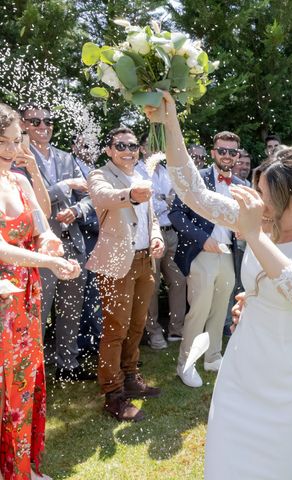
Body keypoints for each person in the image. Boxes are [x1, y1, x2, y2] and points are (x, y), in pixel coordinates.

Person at [145, 92, 292, 479]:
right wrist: (171, 124)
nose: (257, 201)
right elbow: (193, 192)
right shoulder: (258, 220)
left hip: (290, 386)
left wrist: (254, 236)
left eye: (266, 195)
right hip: (240, 373)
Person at [0, 102, 81, 480]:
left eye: (20, 141)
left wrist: (49, 242)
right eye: (8, 143)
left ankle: (20, 467)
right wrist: (46, 262)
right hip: (3, 297)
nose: (17, 151)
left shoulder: (18, 179)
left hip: (25, 295)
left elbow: (41, 221)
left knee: (24, 378)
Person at [86, 127, 165, 422]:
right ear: (109, 150)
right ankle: (114, 394)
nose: (128, 150)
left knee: (137, 325)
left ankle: (131, 377)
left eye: (132, 146)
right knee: (115, 329)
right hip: (118, 263)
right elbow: (105, 197)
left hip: (145, 261)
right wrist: (131, 194)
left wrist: (155, 237)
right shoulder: (100, 175)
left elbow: (151, 216)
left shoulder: (139, 175)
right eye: (120, 145)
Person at [19, 103, 93, 382]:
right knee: (39, 309)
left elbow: (88, 194)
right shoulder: (16, 158)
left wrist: (77, 210)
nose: (43, 126)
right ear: (23, 124)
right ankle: (33, 371)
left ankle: (68, 363)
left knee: (71, 307)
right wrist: (64, 188)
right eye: (35, 121)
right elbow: (28, 201)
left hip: (72, 243)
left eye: (47, 121)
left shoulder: (65, 157)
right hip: (39, 248)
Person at [169, 131, 244, 387]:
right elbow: (176, 215)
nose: (227, 155)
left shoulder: (243, 186)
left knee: (220, 309)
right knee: (199, 310)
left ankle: (212, 357)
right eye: (222, 150)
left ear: (238, 155)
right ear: (213, 152)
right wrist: (202, 239)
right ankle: (185, 364)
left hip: (228, 254)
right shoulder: (196, 179)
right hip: (202, 252)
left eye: (232, 152)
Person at [136, 142, 186, 348]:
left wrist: (167, 201)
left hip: (171, 232)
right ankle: (153, 331)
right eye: (151, 146)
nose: (157, 151)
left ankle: (177, 329)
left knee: (179, 281)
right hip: (150, 236)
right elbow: (145, 205)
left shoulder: (166, 172)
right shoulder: (137, 172)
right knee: (152, 286)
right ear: (141, 148)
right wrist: (164, 201)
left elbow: (175, 201)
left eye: (160, 147)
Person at [71, 134, 102, 355]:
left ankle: (94, 340)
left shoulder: (98, 172)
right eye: (84, 144)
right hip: (83, 238)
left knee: (96, 292)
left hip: (102, 239)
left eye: (93, 144)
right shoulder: (72, 169)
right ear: (74, 146)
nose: (90, 147)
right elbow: (76, 207)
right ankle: (82, 344)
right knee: (84, 293)